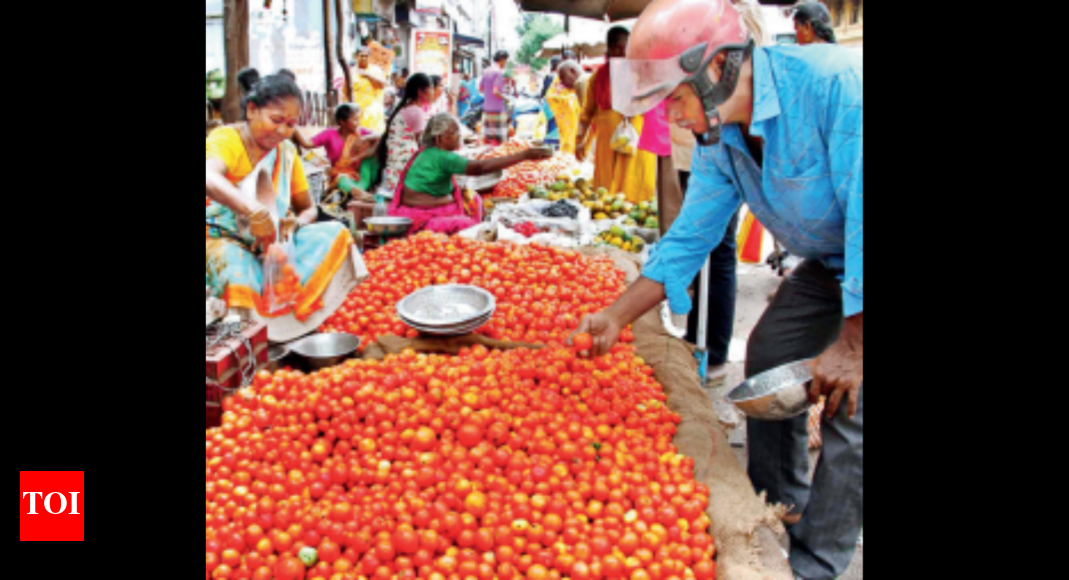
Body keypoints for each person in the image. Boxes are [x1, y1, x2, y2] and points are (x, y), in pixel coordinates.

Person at [576, 1, 863, 578]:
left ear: (721, 66)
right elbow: (689, 238)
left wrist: (853, 345)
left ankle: (817, 562)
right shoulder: (722, 137)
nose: (675, 118)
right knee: (769, 355)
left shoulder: (838, 88)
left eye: (677, 99)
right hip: (832, 261)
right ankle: (780, 506)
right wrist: (614, 315)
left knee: (850, 405)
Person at [205, 68, 357, 340]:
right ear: (251, 110)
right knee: (233, 264)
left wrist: (295, 224)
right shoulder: (228, 139)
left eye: (290, 124)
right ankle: (251, 340)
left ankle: (291, 329)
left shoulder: (286, 152)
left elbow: (308, 208)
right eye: (276, 120)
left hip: (273, 243)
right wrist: (252, 211)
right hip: (224, 238)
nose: (283, 131)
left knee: (336, 232)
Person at [389, 113, 553, 235]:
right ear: (439, 138)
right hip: (420, 217)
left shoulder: (427, 152)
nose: (459, 137)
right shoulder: (443, 157)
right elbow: (479, 168)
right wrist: (524, 155)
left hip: (422, 206)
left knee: (474, 199)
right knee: (466, 224)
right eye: (454, 134)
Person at [577, 26, 657, 204]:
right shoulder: (598, 77)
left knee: (635, 191)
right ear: (609, 49)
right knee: (605, 197)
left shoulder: (643, 72)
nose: (621, 51)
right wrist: (579, 138)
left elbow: (652, 104)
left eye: (625, 46)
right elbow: (586, 113)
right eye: (615, 47)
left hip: (636, 139)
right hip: (607, 143)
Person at [369, 73, 435, 198]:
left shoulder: (407, 108)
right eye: (431, 88)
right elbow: (422, 144)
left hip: (395, 167)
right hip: (403, 167)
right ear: (421, 91)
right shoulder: (415, 112)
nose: (433, 91)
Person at [293, 103, 380, 194]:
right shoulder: (330, 134)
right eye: (354, 120)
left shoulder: (360, 132)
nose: (357, 123)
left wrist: (364, 138)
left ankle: (365, 188)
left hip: (362, 173)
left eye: (358, 119)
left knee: (372, 157)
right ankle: (359, 191)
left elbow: (381, 136)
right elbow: (306, 143)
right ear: (342, 121)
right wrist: (293, 126)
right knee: (342, 181)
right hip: (341, 175)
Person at [543, 61, 582, 154]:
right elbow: (550, 96)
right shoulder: (559, 83)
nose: (562, 82)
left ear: (572, 71)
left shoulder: (584, 83)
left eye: (563, 78)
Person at [351, 47, 389, 133]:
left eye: (366, 56)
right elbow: (345, 92)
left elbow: (382, 84)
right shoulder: (351, 72)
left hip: (373, 113)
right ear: (356, 57)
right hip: (357, 112)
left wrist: (367, 75)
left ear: (369, 57)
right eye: (361, 56)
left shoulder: (376, 71)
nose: (364, 58)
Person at [481, 51, 510, 146]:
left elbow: (481, 88)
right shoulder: (498, 72)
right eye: (505, 61)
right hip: (497, 109)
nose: (505, 64)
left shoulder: (485, 71)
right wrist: (505, 98)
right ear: (502, 60)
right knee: (499, 140)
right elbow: (496, 92)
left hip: (486, 109)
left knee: (488, 138)